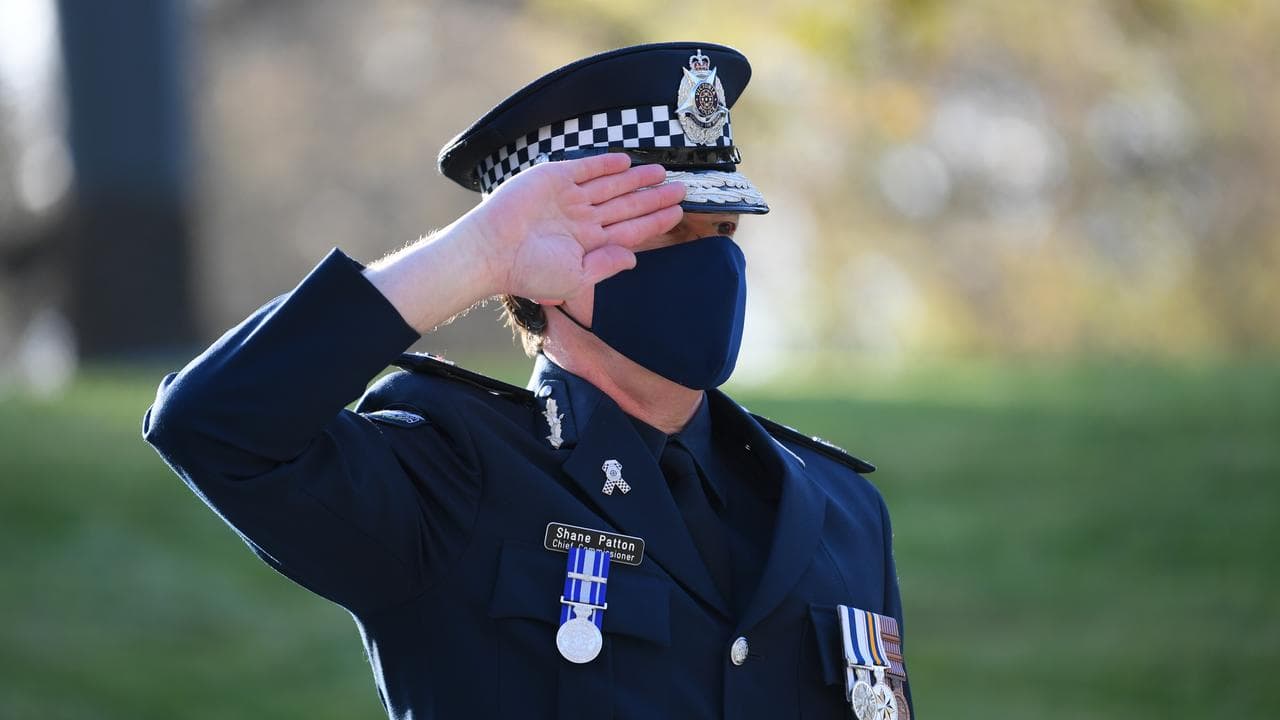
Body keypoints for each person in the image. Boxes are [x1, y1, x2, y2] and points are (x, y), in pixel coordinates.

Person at [144, 42, 914, 720]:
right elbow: (213, 427)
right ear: (544, 261)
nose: (712, 260)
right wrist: (473, 256)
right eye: (665, 229)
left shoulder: (840, 511)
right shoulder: (450, 474)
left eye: (721, 231)